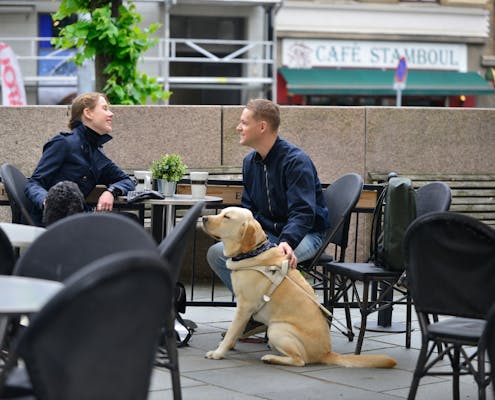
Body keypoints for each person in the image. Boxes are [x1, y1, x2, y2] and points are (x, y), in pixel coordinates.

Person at [207, 99, 330, 336]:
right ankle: (257, 314)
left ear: (262, 127)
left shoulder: (296, 161)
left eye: (244, 122)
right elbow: (249, 210)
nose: (238, 127)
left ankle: (293, 318)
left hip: (306, 235)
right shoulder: (249, 163)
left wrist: (287, 241)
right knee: (216, 254)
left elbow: (303, 212)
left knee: (269, 258)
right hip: (269, 236)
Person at [25, 92, 135, 226]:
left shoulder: (95, 151)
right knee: (128, 223)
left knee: (130, 220)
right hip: (54, 223)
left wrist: (111, 192)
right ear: (88, 113)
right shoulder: (64, 143)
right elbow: (34, 183)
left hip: (79, 218)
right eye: (105, 108)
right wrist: (47, 201)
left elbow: (126, 180)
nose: (111, 114)